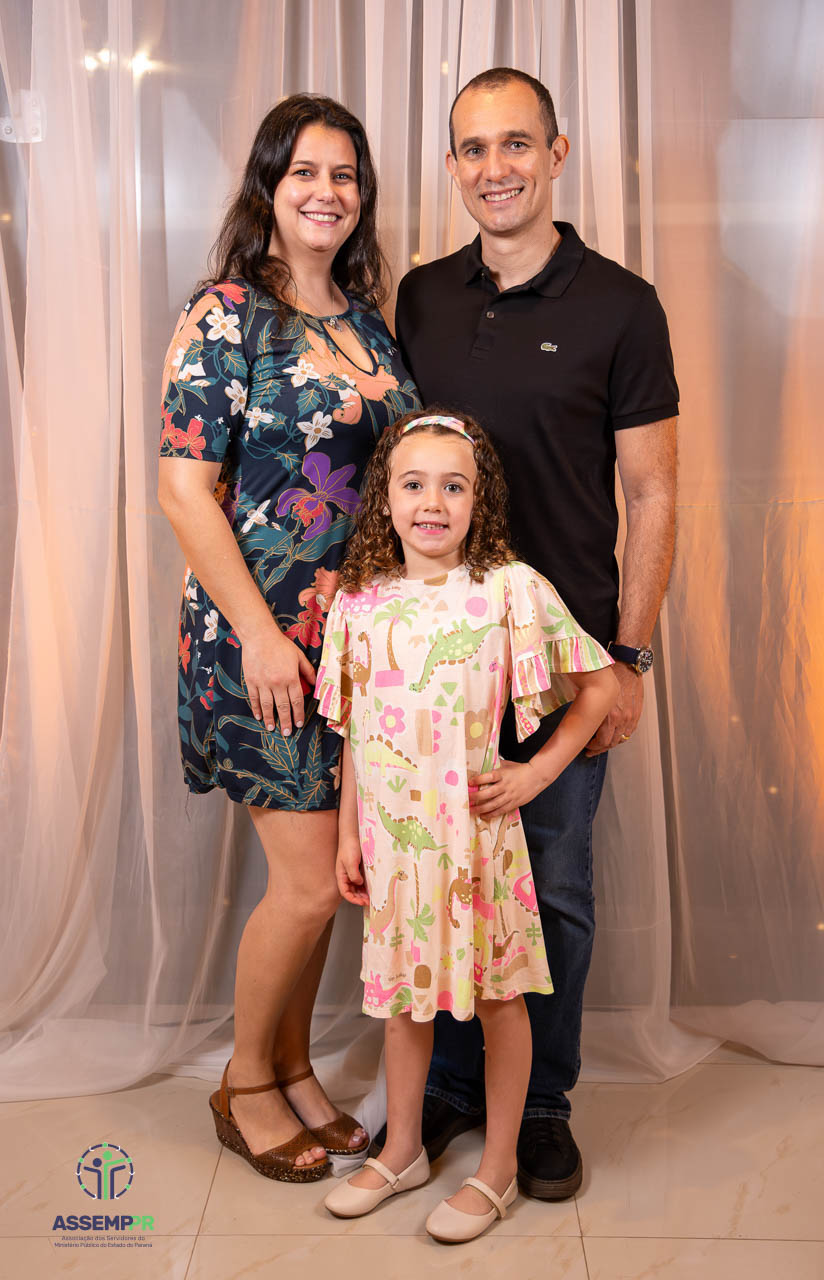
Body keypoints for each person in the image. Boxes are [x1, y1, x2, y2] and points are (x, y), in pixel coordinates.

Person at [391, 68, 680, 1200]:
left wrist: (629, 657)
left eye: (515, 144)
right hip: (433, 662)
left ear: (557, 154)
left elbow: (652, 493)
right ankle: (455, 1086)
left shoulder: (623, 305)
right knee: (440, 877)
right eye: (472, 148)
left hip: (562, 665)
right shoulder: (421, 296)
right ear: (452, 165)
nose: (494, 168)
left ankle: (544, 1103)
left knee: (550, 889)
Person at [158, 94, 420, 1182]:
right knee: (309, 884)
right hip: (257, 642)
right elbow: (183, 492)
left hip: (348, 647)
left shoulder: (367, 320)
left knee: (330, 884)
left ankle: (295, 1066)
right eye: (304, 171)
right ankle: (246, 1083)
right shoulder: (228, 314)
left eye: (344, 175)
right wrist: (263, 636)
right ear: (268, 186)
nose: (326, 191)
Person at [314, 411, 618, 1241]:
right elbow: (354, 731)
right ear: (384, 498)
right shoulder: (360, 603)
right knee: (402, 1004)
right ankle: (402, 1149)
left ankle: (499, 1167)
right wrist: (348, 835)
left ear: (479, 500)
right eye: (413, 484)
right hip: (394, 845)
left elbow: (597, 686)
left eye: (454, 486)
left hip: (475, 844)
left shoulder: (509, 590)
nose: (432, 503)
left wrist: (535, 773)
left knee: (496, 998)